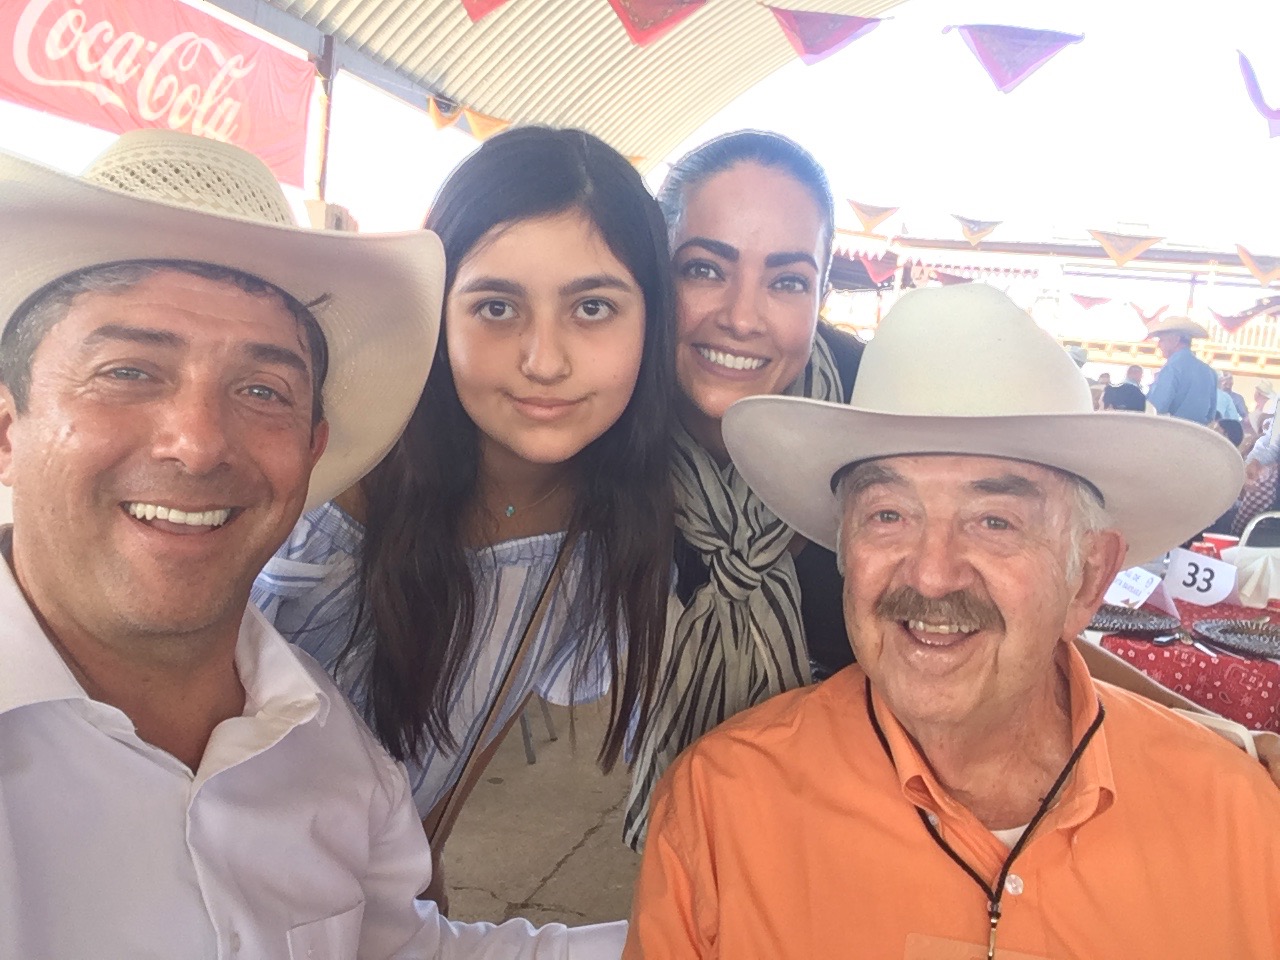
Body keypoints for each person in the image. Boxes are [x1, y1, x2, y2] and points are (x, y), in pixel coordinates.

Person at [0, 129, 624, 957]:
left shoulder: (335, 759)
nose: (198, 443)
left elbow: (400, 949)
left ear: (312, 447)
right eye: (129, 372)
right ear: (7, 430)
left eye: (262, 390)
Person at [624, 284, 1280, 959]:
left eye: (994, 522)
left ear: (1088, 576)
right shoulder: (724, 807)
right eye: (888, 515)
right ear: (846, 550)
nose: (932, 575)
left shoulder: (1241, 822)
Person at [253, 127, 676, 880]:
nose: (544, 361)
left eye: (592, 308)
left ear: (651, 320)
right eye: (496, 307)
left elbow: (466, 737)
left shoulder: (604, 527)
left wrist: (417, 877)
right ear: (438, 313)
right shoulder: (330, 499)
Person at [622, 130, 864, 850]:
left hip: (873, 811)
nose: (741, 316)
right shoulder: (604, 416)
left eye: (786, 281)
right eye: (705, 269)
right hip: (689, 827)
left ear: (820, 295)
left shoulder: (880, 414)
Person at [1144, 316, 1216, 423]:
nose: (1158, 345)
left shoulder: (1171, 368)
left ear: (1176, 340)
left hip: (1171, 430)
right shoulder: (1209, 372)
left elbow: (1155, 409)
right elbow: (1211, 415)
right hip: (1197, 431)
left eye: (1161, 340)